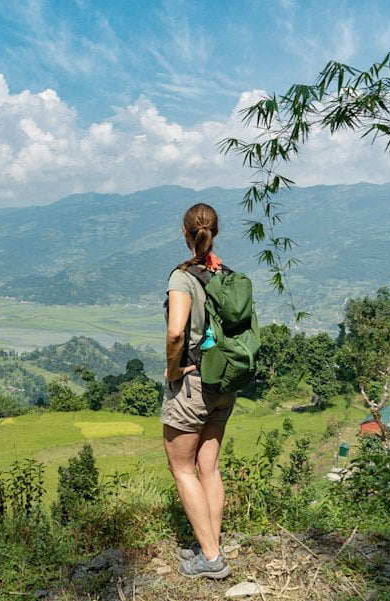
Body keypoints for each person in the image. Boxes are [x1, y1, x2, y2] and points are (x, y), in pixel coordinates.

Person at [162, 202, 234, 580]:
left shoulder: (183, 278)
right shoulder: (225, 274)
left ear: (185, 233)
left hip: (192, 384)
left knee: (182, 468)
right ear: (215, 232)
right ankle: (213, 544)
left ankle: (210, 558)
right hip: (224, 383)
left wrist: (173, 369)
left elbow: (176, 332)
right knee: (209, 467)